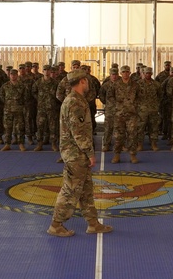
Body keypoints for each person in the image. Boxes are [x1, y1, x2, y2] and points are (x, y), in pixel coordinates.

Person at [47, 69, 112, 238]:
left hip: (77, 153)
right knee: (70, 190)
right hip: (75, 154)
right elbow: (79, 133)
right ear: (82, 81)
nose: (89, 83)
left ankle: (93, 223)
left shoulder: (75, 100)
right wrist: (90, 153)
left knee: (86, 190)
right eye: (87, 80)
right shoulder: (75, 102)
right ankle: (56, 224)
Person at [109, 64, 140, 163]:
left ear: (130, 73)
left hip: (132, 114)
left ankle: (132, 155)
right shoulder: (115, 84)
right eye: (123, 72)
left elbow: (140, 97)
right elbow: (110, 96)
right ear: (120, 73)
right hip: (119, 114)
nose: (125, 74)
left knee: (132, 135)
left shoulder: (135, 84)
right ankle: (117, 155)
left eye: (127, 72)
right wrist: (116, 107)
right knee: (118, 135)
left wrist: (135, 106)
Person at [0, 68, 28, 151]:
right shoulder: (5, 86)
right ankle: (7, 144)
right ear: (9, 75)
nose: (13, 76)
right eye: (11, 74)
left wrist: (20, 104)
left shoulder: (22, 86)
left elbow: (26, 96)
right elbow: (1, 95)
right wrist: (7, 102)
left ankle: (21, 144)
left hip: (18, 110)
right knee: (7, 127)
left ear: (17, 75)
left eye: (15, 74)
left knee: (20, 127)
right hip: (8, 110)